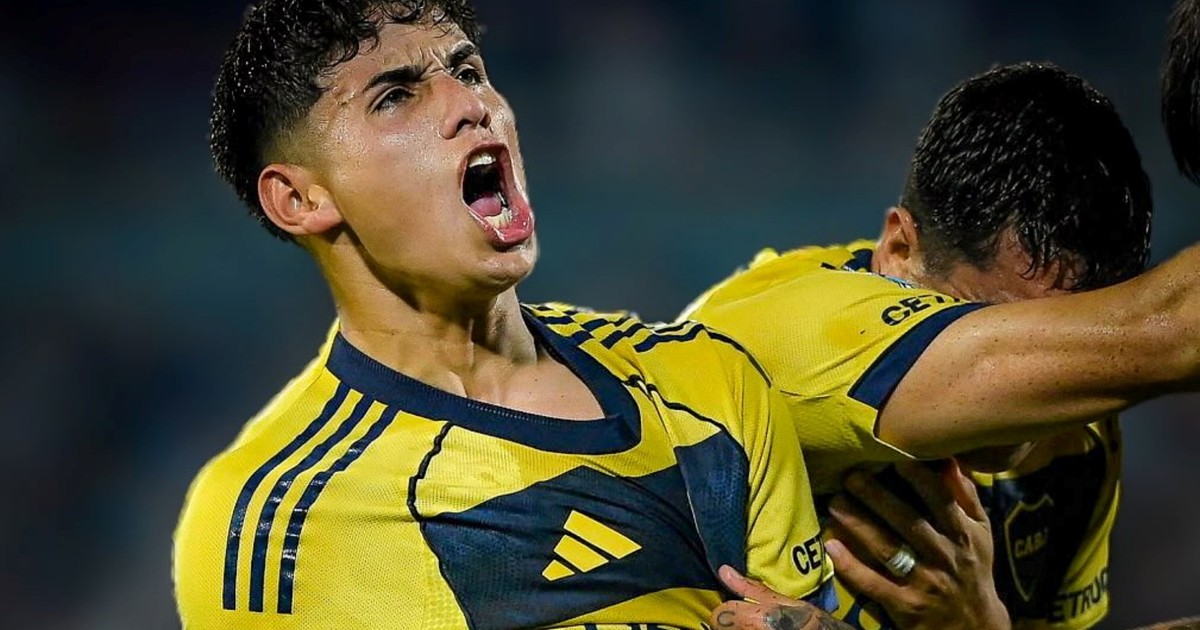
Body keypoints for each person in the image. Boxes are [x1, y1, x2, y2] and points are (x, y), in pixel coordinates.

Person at [172, 1, 841, 628]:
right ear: (299, 199)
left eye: (468, 72)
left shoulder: (708, 380)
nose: (471, 106)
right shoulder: (277, 526)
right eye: (395, 96)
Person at [683, 63, 1159, 629]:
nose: (1029, 375)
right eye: (990, 326)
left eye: (1055, 341)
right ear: (899, 248)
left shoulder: (1079, 423)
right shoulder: (778, 336)